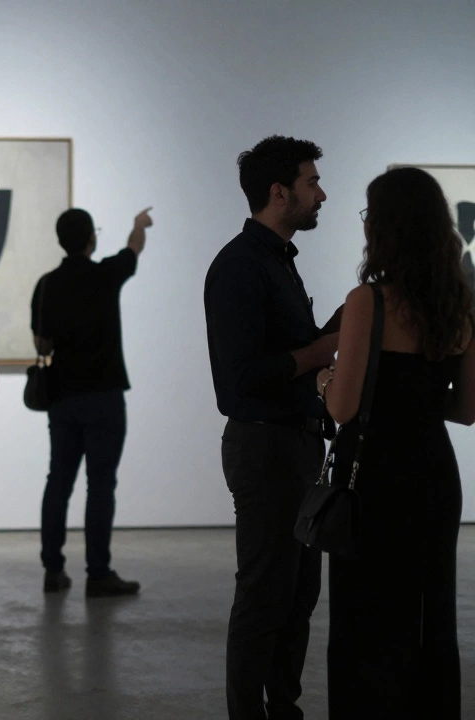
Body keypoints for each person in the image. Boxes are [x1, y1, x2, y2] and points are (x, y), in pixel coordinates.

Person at [317, 167, 475, 719]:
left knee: (367, 623)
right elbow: (467, 409)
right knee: (430, 619)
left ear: (384, 227)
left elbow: (342, 407)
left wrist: (322, 379)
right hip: (433, 476)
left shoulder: (369, 302)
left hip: (373, 479)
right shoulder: (461, 305)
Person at [204, 135, 339, 720]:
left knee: (299, 594)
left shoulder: (276, 260)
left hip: (295, 445)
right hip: (264, 449)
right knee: (265, 596)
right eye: (312, 183)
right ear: (279, 192)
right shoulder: (239, 265)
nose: (321, 194)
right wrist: (320, 353)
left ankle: (283, 709)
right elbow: (236, 385)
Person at [31, 206, 153, 597]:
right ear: (90, 239)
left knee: (58, 482)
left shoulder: (47, 284)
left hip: (63, 396)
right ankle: (98, 573)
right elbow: (134, 249)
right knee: (100, 485)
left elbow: (42, 342)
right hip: (104, 396)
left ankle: (53, 570)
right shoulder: (105, 275)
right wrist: (137, 224)